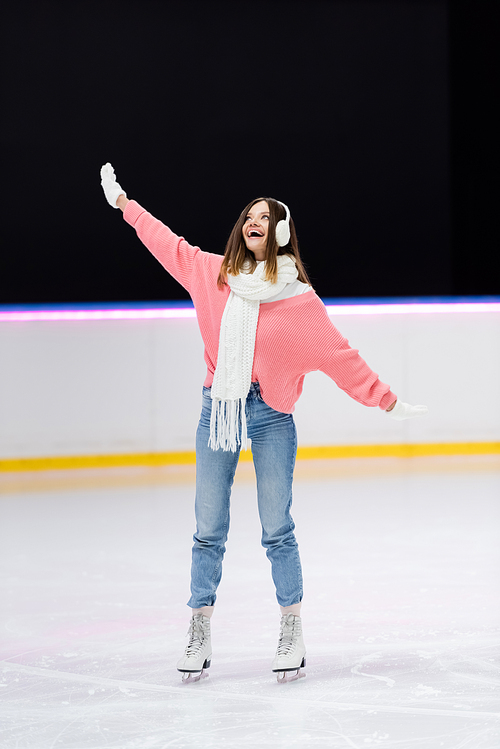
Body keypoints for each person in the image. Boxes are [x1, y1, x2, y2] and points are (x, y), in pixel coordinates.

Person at [100, 163, 428, 683]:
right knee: (208, 529)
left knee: (277, 529)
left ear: (279, 232)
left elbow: (341, 357)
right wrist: (125, 205)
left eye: (265, 217)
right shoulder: (213, 277)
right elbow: (168, 243)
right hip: (219, 410)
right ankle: (199, 627)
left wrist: (387, 401)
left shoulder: (299, 301)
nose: (254, 221)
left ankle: (291, 627)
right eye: (248, 215)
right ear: (241, 227)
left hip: (272, 414)